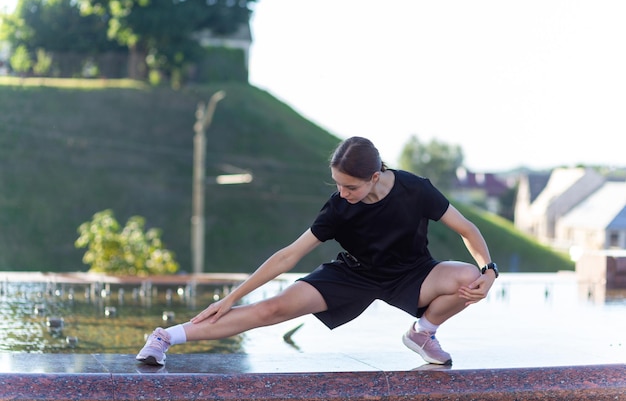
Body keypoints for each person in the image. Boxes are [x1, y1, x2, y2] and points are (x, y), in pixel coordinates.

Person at [136, 136, 497, 366]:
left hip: (412, 272)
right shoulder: (339, 207)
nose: (342, 192)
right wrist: (231, 297)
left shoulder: (416, 189)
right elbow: (288, 255)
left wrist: (489, 271)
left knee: (468, 277)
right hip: (353, 274)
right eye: (337, 183)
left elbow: (467, 228)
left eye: (350, 186)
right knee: (273, 308)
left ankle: (422, 332)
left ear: (375, 176)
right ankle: (166, 337)